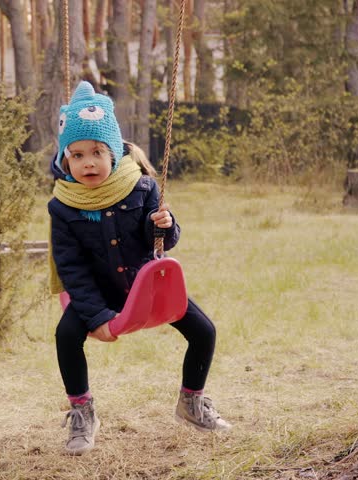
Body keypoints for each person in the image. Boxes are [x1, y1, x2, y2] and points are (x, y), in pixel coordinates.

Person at [48, 81, 231, 456]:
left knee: (204, 331)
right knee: (66, 336)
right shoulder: (63, 205)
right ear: (66, 159)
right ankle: (83, 413)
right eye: (77, 155)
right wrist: (95, 315)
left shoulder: (141, 187)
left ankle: (191, 403)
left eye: (97, 152)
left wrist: (164, 224)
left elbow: (159, 241)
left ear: (113, 151)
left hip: (144, 285)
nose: (88, 163)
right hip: (94, 292)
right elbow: (71, 266)